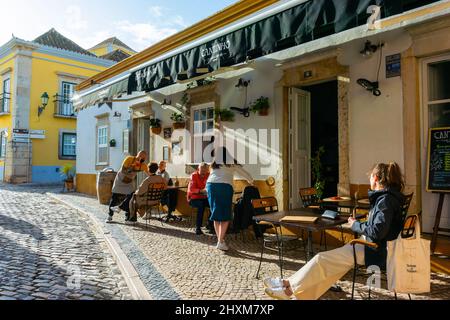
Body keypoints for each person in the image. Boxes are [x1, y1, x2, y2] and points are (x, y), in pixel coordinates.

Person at [264, 162, 406, 300]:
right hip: (374, 246)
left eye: (370, 177)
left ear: (375, 178)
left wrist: (356, 225)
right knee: (332, 267)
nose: (369, 180)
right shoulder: (388, 198)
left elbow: (377, 231)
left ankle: (288, 287)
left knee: (321, 259)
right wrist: (361, 223)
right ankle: (296, 291)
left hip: (375, 250)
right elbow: (381, 228)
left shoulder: (385, 200)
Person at [207, 147, 254, 251]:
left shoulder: (214, 164)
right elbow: (244, 173)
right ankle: (220, 241)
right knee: (226, 214)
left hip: (211, 186)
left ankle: (221, 241)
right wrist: (251, 181)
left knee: (216, 214)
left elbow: (212, 175)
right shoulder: (231, 162)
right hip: (224, 187)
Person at [107, 151, 150, 223]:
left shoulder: (143, 166)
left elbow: (149, 173)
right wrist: (133, 166)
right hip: (120, 180)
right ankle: (109, 216)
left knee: (131, 198)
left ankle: (128, 217)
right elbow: (124, 170)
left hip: (129, 182)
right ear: (137, 155)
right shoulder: (129, 159)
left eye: (143, 158)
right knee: (114, 198)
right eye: (140, 156)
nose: (141, 159)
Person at [187, 162, 211, 235]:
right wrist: (200, 191)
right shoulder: (194, 176)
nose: (203, 172)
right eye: (202, 170)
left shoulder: (208, 175)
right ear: (198, 169)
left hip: (204, 197)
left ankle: (210, 224)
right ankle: (198, 227)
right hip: (193, 198)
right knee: (201, 205)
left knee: (214, 204)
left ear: (207, 170)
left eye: (205, 170)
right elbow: (191, 189)